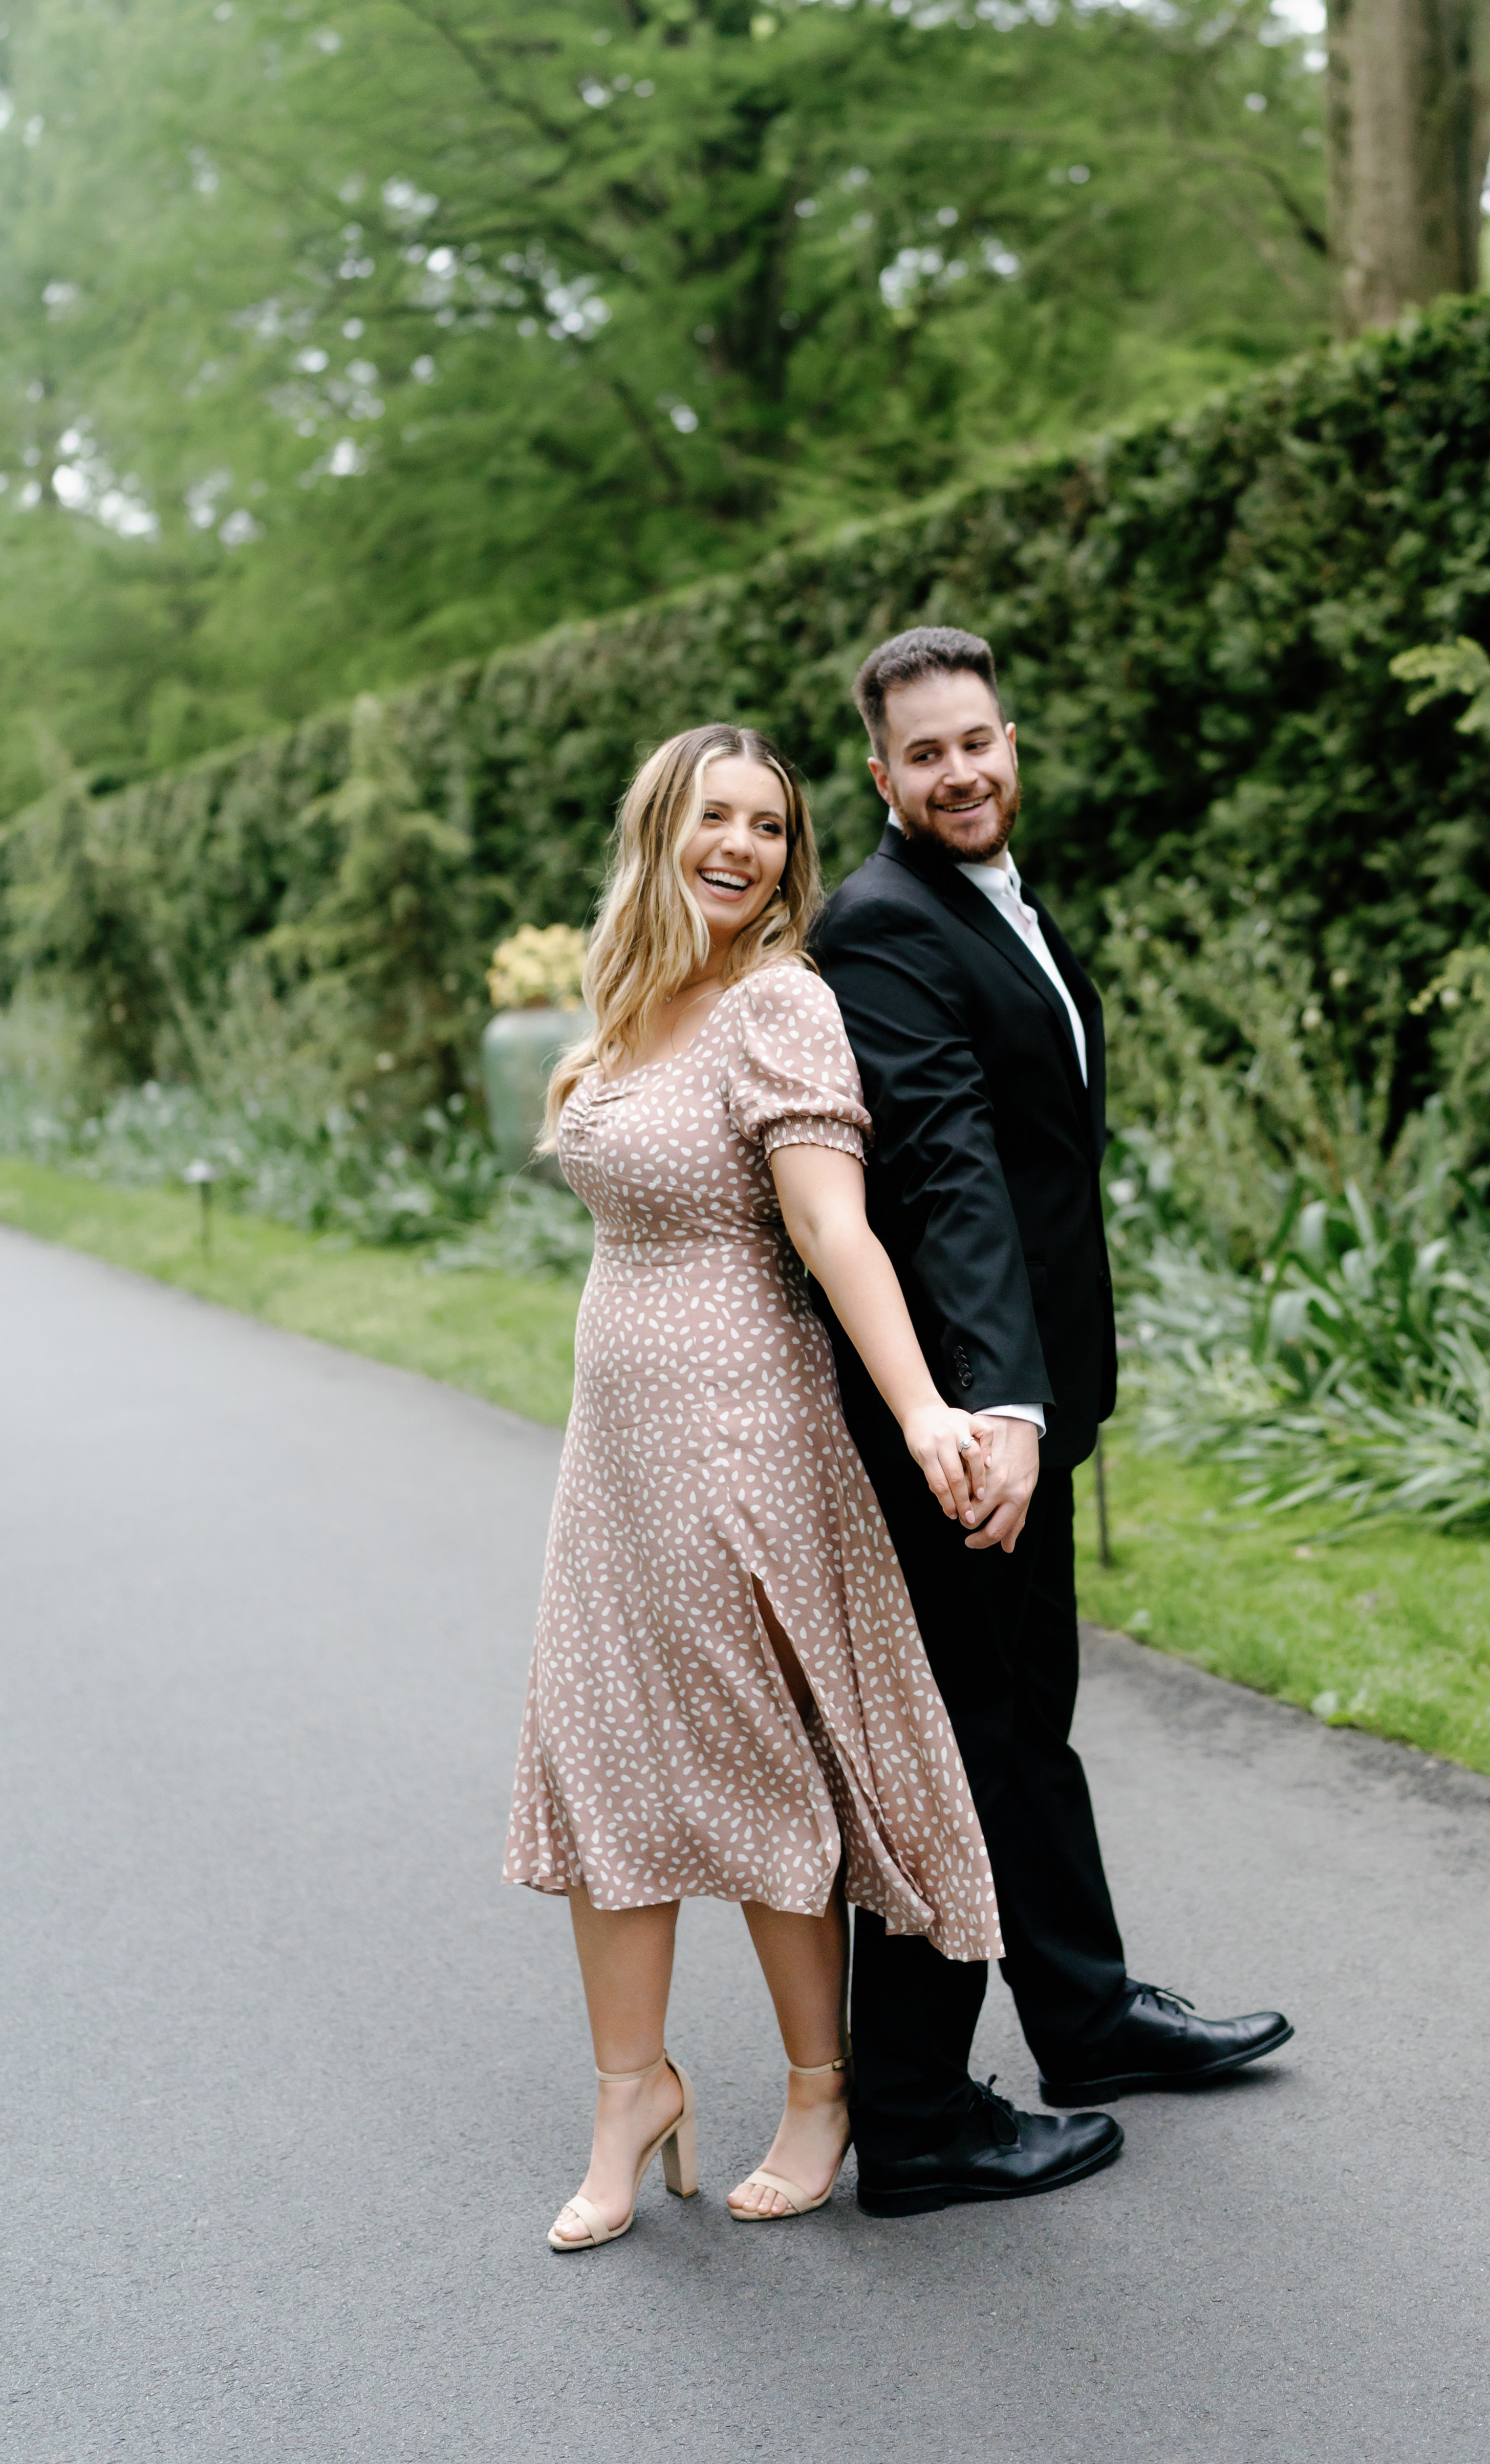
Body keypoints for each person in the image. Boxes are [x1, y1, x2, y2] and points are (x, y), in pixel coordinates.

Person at [504, 721, 1009, 2250]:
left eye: (772, 827)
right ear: (659, 831)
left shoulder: (779, 1005)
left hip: (744, 1429)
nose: (744, 846)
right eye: (715, 817)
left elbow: (834, 1227)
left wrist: (924, 1407)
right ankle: (629, 2091)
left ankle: (818, 2086)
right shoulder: (629, 1005)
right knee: (609, 1754)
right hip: (617, 1449)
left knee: (755, 1758)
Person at [813, 624, 1294, 2218]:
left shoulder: (986, 894)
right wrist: (997, 1405)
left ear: (1012, 742)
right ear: (881, 778)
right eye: (928, 755)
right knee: (958, 1744)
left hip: (1029, 1408)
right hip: (961, 1427)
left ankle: (1083, 2019)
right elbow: (946, 1165)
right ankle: (917, 2114)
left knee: (1027, 1720)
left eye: (981, 741)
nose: (963, 772)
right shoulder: (882, 928)